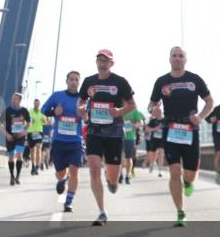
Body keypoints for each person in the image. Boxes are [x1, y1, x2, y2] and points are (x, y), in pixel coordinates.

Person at [148, 46, 214, 227]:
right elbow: (151, 105)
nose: (177, 59)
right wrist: (154, 110)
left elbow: (210, 101)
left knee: (190, 175)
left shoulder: (194, 79)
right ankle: (180, 212)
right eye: (174, 56)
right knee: (174, 171)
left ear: (185, 59)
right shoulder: (162, 81)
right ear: (169, 59)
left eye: (180, 56)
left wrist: (200, 117)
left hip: (190, 130)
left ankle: (188, 181)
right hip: (170, 129)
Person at [78, 49, 137, 224]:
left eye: (106, 60)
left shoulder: (120, 82)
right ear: (96, 62)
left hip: (114, 134)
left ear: (111, 64)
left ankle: (112, 181)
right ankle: (102, 211)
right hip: (94, 132)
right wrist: (81, 109)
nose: (102, 63)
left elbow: (132, 105)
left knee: (112, 178)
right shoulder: (89, 82)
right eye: (100, 60)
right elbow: (80, 102)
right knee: (94, 168)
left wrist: (119, 111)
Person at [42, 71, 86, 215]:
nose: (74, 82)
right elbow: (44, 110)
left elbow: (89, 116)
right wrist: (55, 111)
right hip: (59, 141)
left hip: (75, 142)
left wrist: (85, 115)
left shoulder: (83, 99)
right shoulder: (57, 96)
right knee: (60, 173)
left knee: (74, 170)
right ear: (67, 81)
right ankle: (63, 179)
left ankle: (69, 202)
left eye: (76, 80)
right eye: (71, 79)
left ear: (79, 83)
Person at [2, 93, 31, 185]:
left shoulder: (24, 111)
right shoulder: (8, 110)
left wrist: (24, 132)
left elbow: (29, 123)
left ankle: (17, 177)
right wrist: (6, 134)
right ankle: (12, 176)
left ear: (19, 100)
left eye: (14, 99)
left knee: (19, 155)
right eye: (12, 98)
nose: (12, 100)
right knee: (11, 157)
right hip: (10, 137)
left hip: (20, 137)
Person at [121, 107, 144, 184]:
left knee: (129, 158)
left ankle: (127, 176)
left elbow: (141, 122)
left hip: (130, 137)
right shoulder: (118, 108)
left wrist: (134, 125)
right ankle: (120, 174)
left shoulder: (134, 111)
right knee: (119, 156)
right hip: (118, 136)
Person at [27, 98, 47, 176]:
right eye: (35, 103)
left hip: (39, 132)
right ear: (33, 104)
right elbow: (25, 120)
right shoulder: (29, 112)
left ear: (39, 104)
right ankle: (33, 166)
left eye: (38, 103)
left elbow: (45, 123)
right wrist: (30, 121)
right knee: (32, 151)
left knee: (38, 148)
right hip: (31, 132)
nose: (36, 105)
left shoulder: (42, 113)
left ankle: (37, 167)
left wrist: (44, 121)